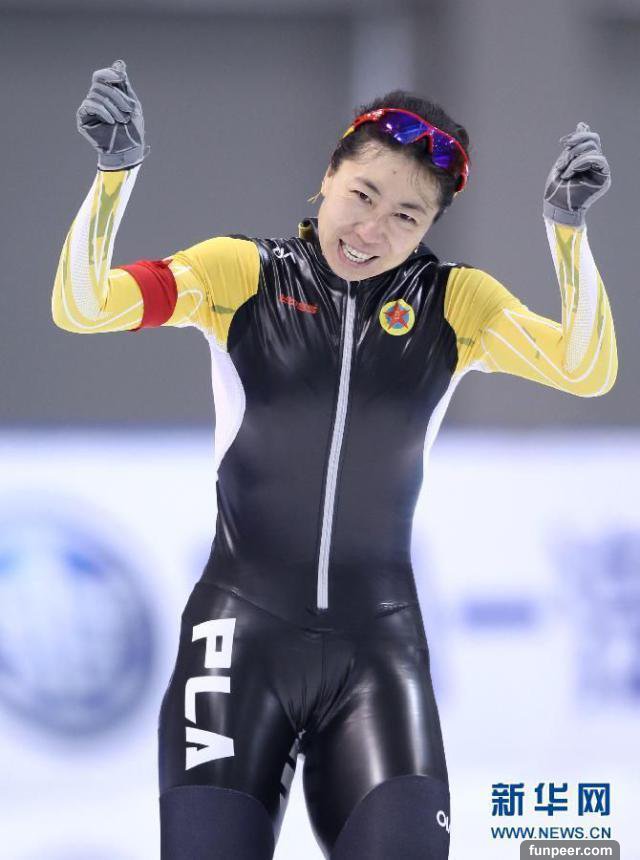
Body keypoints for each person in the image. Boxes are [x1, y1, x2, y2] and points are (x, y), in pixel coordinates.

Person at [52, 59, 618, 860]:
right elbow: (83, 306)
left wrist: (567, 234)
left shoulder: (456, 305)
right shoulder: (241, 273)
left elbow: (585, 369)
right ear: (328, 176)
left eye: (406, 216)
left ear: (430, 226)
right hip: (236, 643)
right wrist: (115, 176)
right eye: (362, 195)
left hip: (377, 654)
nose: (371, 230)